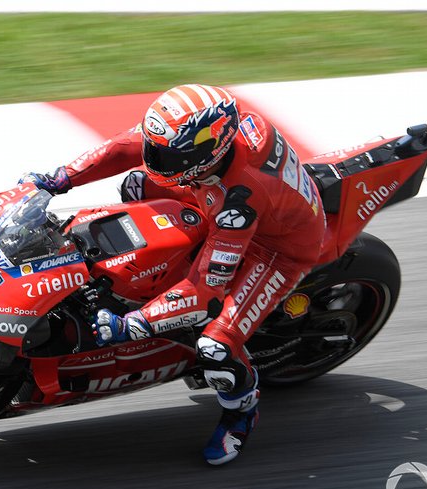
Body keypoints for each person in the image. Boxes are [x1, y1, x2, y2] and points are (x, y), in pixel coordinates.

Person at [21, 84, 325, 465]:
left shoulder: (240, 201)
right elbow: (124, 147)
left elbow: (204, 292)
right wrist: (60, 178)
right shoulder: (204, 131)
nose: (153, 155)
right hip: (216, 196)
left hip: (276, 248)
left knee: (214, 345)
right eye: (157, 145)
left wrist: (131, 324)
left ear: (207, 150)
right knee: (135, 184)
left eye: (165, 151)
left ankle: (242, 411)